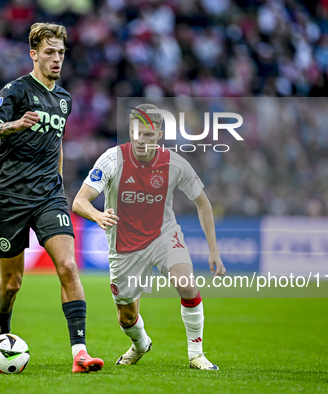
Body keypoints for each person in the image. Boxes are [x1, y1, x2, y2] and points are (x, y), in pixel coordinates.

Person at [0, 22, 103, 373]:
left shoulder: (64, 99)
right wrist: (15, 125)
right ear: (33, 54)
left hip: (49, 196)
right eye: (49, 52)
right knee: (12, 283)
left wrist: (59, 184)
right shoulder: (16, 91)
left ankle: (80, 353)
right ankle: (1, 332)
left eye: (61, 53)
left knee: (67, 266)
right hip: (10, 196)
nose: (57, 59)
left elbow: (57, 141)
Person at [72, 103, 226, 370]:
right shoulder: (112, 159)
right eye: (136, 133)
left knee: (186, 284)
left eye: (148, 134)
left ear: (160, 134)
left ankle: (196, 354)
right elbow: (79, 201)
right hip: (124, 245)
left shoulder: (175, 163)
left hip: (163, 236)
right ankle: (141, 344)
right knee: (127, 317)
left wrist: (214, 250)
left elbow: (203, 203)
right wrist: (97, 215)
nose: (141, 140)